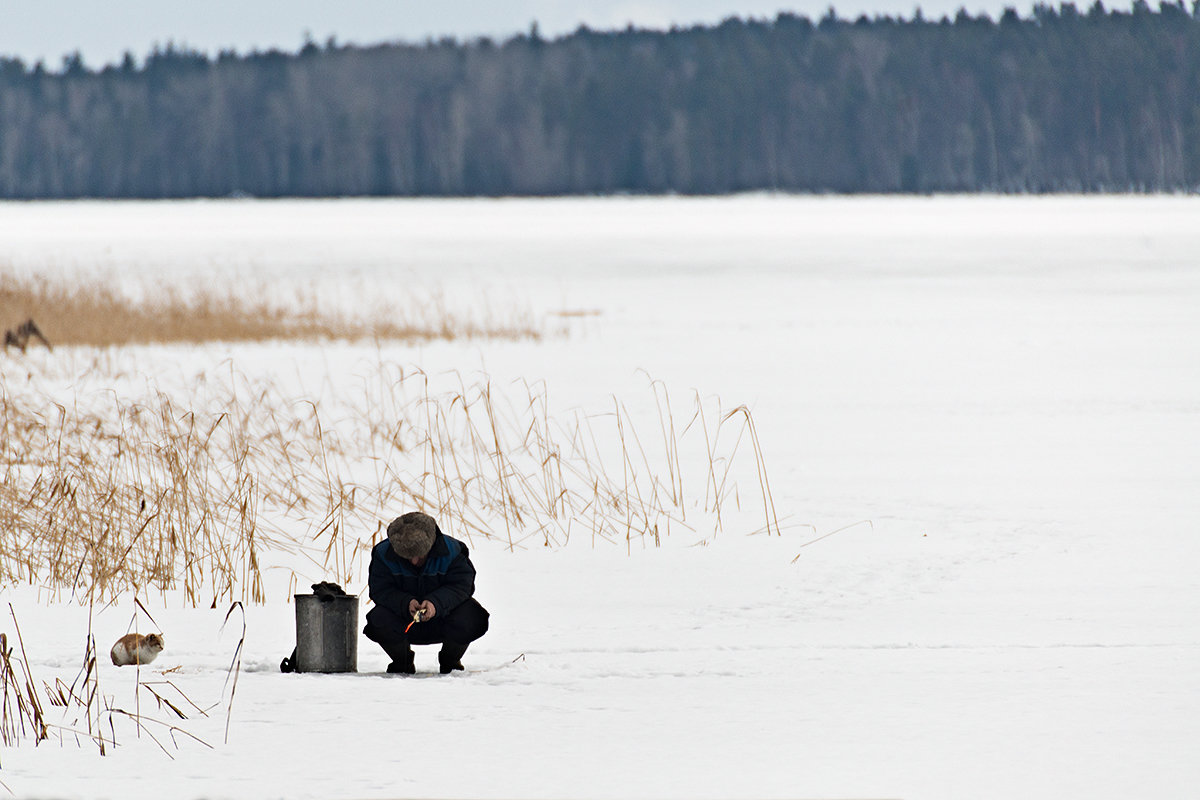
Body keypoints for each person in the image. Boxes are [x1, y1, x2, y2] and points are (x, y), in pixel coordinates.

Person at [363, 511, 489, 674]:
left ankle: (450, 662)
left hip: (444, 618)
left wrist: (436, 604)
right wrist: (405, 603)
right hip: (404, 620)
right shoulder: (383, 553)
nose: (414, 561)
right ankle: (402, 663)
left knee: (473, 616)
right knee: (378, 619)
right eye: (406, 557)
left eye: (419, 556)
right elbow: (380, 590)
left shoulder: (453, 551)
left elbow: (462, 586)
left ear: (431, 546)